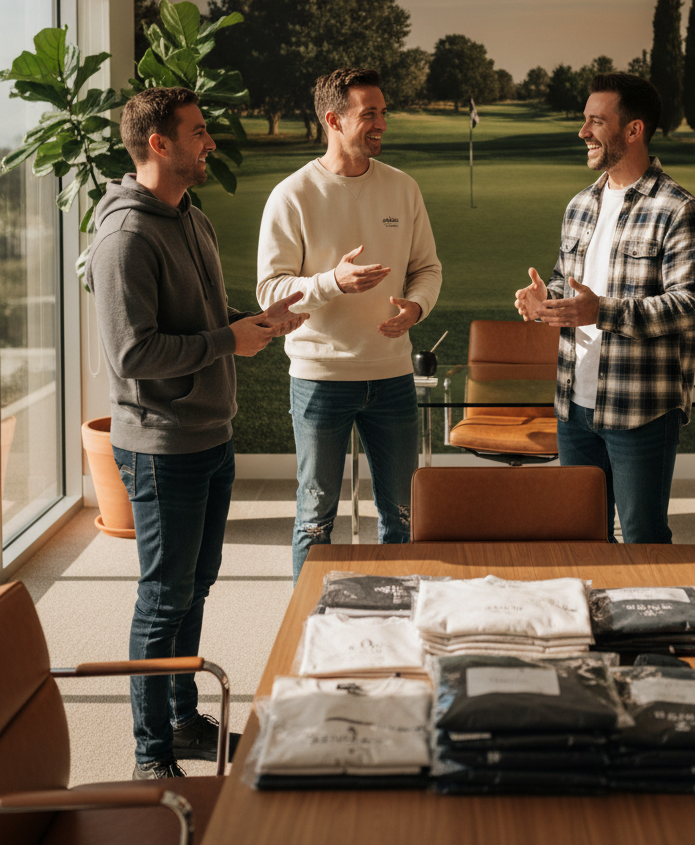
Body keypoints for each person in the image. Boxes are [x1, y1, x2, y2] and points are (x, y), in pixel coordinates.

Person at [86, 86, 308, 779]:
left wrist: (260, 322)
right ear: (159, 144)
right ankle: (150, 754)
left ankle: (182, 721)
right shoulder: (126, 238)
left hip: (211, 437)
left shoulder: (192, 219)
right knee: (162, 597)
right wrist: (226, 340)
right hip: (160, 446)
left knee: (197, 585)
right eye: (199, 131)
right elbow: (133, 355)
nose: (211, 141)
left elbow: (207, 315)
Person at [257, 67, 442, 583]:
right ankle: (309, 624)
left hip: (392, 377)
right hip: (320, 380)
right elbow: (270, 294)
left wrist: (417, 307)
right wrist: (332, 282)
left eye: (384, 111)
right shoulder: (291, 196)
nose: (382, 122)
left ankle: (397, 617)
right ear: (334, 119)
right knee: (315, 518)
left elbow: (428, 268)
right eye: (370, 114)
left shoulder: (404, 189)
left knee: (403, 515)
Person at [515, 73, 695, 544]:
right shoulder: (580, 205)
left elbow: (691, 305)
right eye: (584, 120)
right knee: (581, 539)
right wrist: (546, 302)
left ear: (633, 130)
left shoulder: (679, 210)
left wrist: (602, 312)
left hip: (640, 411)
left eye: (596, 121)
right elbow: (569, 284)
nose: (583, 132)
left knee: (643, 540)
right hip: (573, 409)